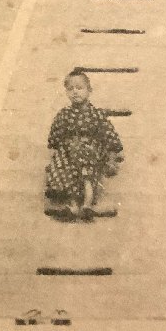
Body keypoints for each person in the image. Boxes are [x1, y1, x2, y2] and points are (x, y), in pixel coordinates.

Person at [44, 69, 123, 221]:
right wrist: (54, 155)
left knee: (87, 170)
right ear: (66, 92)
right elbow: (55, 137)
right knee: (65, 168)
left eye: (79, 88)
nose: (75, 92)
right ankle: (72, 205)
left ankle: (87, 204)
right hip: (69, 151)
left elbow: (109, 135)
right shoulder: (64, 114)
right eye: (70, 89)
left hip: (89, 150)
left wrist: (112, 158)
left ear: (89, 90)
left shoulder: (96, 114)